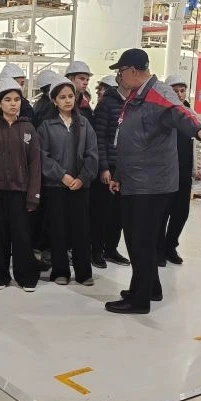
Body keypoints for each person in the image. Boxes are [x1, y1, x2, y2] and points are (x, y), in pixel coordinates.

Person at [105, 49, 201, 315]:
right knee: (138, 239)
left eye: (120, 71)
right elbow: (130, 139)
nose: (119, 76)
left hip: (150, 183)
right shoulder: (137, 95)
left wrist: (199, 129)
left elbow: (181, 113)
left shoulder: (158, 93)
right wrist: (120, 175)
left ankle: (139, 300)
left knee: (140, 241)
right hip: (135, 179)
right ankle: (149, 288)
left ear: (133, 70)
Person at [0, 77, 42, 292]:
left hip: (21, 191)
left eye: (17, 99)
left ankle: (26, 276)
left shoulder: (28, 129)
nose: (13, 104)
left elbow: (35, 164)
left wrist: (34, 194)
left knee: (22, 235)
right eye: (8, 100)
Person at [38, 78, 98, 286]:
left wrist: (82, 178)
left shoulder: (84, 124)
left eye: (71, 96)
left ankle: (84, 272)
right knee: (58, 230)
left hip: (80, 186)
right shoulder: (46, 126)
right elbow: (42, 156)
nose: (67, 101)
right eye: (62, 97)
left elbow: (92, 154)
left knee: (81, 230)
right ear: (54, 101)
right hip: (56, 186)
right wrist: (61, 175)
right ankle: (60, 270)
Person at [160, 73, 201, 265]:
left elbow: (195, 142)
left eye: (182, 91)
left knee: (181, 212)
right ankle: (158, 249)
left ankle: (170, 246)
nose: (179, 94)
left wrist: (196, 167)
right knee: (162, 212)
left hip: (184, 171)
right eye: (175, 91)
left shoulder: (189, 113)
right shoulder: (161, 112)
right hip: (165, 172)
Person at [90, 74, 128, 269]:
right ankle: (96, 250)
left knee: (119, 213)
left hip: (125, 167)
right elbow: (99, 137)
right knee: (102, 212)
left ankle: (111, 248)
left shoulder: (134, 102)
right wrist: (103, 167)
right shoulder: (106, 104)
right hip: (109, 166)